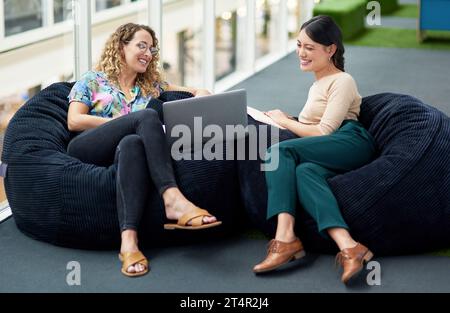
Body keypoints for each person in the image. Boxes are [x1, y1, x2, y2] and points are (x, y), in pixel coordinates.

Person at [67, 23, 221, 277]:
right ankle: (173, 198)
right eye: (141, 46)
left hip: (123, 151)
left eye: (151, 48)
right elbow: (75, 120)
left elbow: (190, 91)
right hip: (88, 146)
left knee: (133, 143)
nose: (148, 53)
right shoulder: (93, 80)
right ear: (121, 47)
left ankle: (128, 243)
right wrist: (127, 122)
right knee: (145, 117)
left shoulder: (149, 86)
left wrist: (201, 92)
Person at [252, 16, 377, 284]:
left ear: (330, 49)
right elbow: (314, 125)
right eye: (299, 45)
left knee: (278, 153)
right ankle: (350, 247)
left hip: (351, 141)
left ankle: (285, 238)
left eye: (310, 47)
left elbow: (325, 131)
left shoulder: (342, 80)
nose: (301, 53)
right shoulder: (316, 84)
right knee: (305, 172)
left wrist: (285, 122)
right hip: (332, 145)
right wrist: (290, 119)